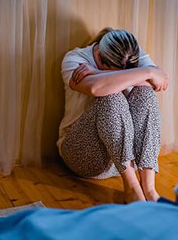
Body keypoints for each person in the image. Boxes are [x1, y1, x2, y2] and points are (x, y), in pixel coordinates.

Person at [57, 27, 169, 203]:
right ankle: (132, 188)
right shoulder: (75, 59)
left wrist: (101, 73)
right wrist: (146, 73)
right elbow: (95, 88)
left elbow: (159, 82)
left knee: (145, 94)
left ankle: (148, 188)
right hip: (83, 154)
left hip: (127, 158)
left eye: (127, 70)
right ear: (99, 56)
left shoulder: (132, 54)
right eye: (113, 69)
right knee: (110, 95)